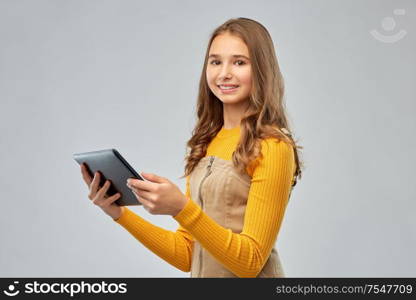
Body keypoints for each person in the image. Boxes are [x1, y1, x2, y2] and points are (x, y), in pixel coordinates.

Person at [80, 17, 304, 278]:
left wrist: (181, 208)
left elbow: (251, 262)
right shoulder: (207, 142)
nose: (224, 73)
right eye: (215, 61)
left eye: (239, 62)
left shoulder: (273, 146)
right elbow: (188, 254)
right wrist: (118, 213)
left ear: (262, 70)